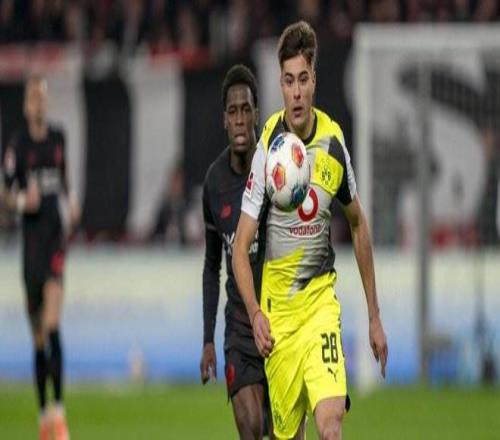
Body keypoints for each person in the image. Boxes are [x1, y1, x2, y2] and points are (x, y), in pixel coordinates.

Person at [233, 21, 388, 440]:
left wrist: (374, 316)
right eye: (288, 81)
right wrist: (255, 313)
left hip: (320, 306)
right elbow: (241, 247)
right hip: (278, 320)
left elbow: (358, 223)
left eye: (303, 79)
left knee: (331, 424)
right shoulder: (269, 148)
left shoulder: (333, 144)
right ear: (280, 85)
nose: (297, 92)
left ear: (314, 80)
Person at [199, 64, 276, 439]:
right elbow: (212, 265)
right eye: (233, 112)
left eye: (246, 110)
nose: (241, 120)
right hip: (240, 334)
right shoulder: (214, 183)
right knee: (252, 430)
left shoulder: (278, 170)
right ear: (224, 120)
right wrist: (208, 340)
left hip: (281, 326)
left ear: (256, 114)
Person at [1, 75, 79, 440]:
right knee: (37, 339)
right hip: (30, 249)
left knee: (52, 324)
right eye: (33, 97)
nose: (38, 102)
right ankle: (43, 413)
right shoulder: (17, 145)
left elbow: (65, 180)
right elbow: (5, 195)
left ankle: (59, 413)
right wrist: (20, 201)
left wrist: (72, 200)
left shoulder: (58, 139)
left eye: (42, 97)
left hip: (54, 243)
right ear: (25, 104)